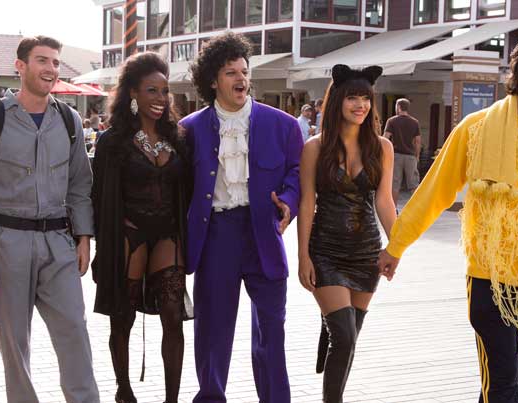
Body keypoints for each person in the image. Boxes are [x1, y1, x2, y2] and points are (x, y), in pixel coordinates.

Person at [378, 28, 518, 402]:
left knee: (502, 381)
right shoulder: (476, 128)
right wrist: (396, 245)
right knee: (502, 383)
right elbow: (434, 192)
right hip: (489, 279)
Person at [0, 36, 99, 403]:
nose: (51, 69)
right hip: (6, 243)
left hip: (58, 241)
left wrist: (84, 237)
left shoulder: (69, 120)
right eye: (42, 60)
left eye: (55, 62)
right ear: (20, 66)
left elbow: (80, 184)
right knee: (14, 341)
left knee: (75, 331)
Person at [180, 32, 302, 403]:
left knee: (272, 330)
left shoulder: (284, 125)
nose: (241, 79)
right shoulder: (189, 130)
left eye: (245, 71)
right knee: (212, 330)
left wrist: (288, 202)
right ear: (213, 80)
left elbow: (297, 172)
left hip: (263, 233)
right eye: (231, 72)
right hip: (215, 237)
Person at [91, 51, 192, 403]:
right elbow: (98, 197)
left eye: (165, 91)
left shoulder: (177, 138)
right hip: (127, 232)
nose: (161, 98)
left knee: (173, 316)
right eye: (152, 90)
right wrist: (99, 248)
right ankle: (124, 389)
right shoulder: (113, 141)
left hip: (167, 233)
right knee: (123, 317)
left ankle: (171, 400)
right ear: (133, 92)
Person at [297, 64, 396, 402]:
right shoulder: (315, 147)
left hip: (366, 254)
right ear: (338, 100)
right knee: (344, 336)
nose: (360, 105)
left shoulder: (382, 147)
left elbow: (384, 201)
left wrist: (396, 247)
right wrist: (303, 256)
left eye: (366, 98)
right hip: (325, 252)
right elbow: (307, 203)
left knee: (349, 338)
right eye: (353, 97)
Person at [383, 98, 421, 206]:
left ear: (399, 107)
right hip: (410, 157)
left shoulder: (391, 121)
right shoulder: (415, 122)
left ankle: (393, 209)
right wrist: (417, 156)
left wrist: (384, 155)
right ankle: (416, 208)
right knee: (413, 184)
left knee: (395, 184)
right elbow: (418, 141)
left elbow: (385, 138)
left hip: (396, 156)